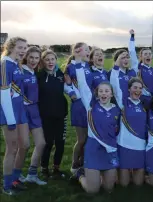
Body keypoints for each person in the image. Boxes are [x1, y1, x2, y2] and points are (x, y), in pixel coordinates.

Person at [71, 56, 120, 194]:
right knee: (92, 191)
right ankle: (80, 174)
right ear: (97, 94)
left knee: (109, 189)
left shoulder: (117, 109)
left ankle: (98, 176)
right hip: (94, 149)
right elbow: (82, 84)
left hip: (110, 150)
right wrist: (79, 65)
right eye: (101, 91)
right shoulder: (91, 106)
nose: (104, 93)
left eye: (107, 91)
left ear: (111, 93)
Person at [36, 49, 71, 179]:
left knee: (60, 142)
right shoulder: (39, 76)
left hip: (61, 114)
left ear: (56, 60)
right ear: (43, 62)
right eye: (47, 59)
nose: (50, 62)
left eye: (52, 59)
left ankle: (56, 168)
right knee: (48, 142)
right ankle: (44, 168)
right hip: (45, 115)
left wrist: (68, 84)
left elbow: (68, 88)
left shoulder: (60, 75)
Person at [2, 36, 29, 195]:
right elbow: (4, 93)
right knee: (11, 148)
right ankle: (6, 185)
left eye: (25, 48)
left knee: (24, 144)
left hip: (20, 111)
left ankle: (15, 178)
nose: (23, 51)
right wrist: (11, 119)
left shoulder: (16, 64)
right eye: (20, 47)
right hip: (8, 112)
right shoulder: (5, 63)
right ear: (11, 47)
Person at [17, 46, 48, 185]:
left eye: (37, 58)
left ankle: (32, 174)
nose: (34, 60)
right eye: (31, 57)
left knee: (41, 143)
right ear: (26, 57)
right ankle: (15, 175)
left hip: (34, 110)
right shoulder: (20, 70)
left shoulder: (34, 72)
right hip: (22, 110)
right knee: (24, 145)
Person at [63, 42, 92, 175]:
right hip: (79, 105)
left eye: (88, 50)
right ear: (77, 51)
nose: (88, 52)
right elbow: (66, 85)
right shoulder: (70, 67)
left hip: (91, 105)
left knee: (89, 138)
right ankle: (74, 165)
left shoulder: (88, 66)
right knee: (81, 139)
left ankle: (84, 163)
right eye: (86, 50)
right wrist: (71, 93)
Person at [127, 34, 153, 106]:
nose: (148, 55)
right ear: (141, 56)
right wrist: (132, 38)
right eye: (145, 54)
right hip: (141, 98)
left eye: (150, 54)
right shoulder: (137, 68)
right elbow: (132, 52)